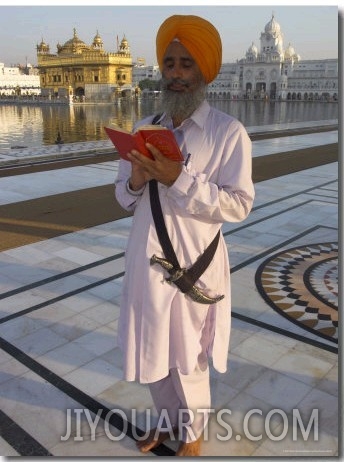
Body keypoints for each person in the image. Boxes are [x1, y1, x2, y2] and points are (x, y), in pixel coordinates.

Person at [114, 14, 255, 456]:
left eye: (186, 64)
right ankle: (166, 420)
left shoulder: (228, 133)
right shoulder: (144, 127)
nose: (175, 73)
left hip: (195, 267)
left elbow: (238, 204)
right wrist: (137, 179)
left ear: (203, 71)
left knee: (189, 358)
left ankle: (192, 434)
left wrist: (180, 179)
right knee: (153, 352)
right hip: (146, 263)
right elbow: (123, 198)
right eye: (170, 63)